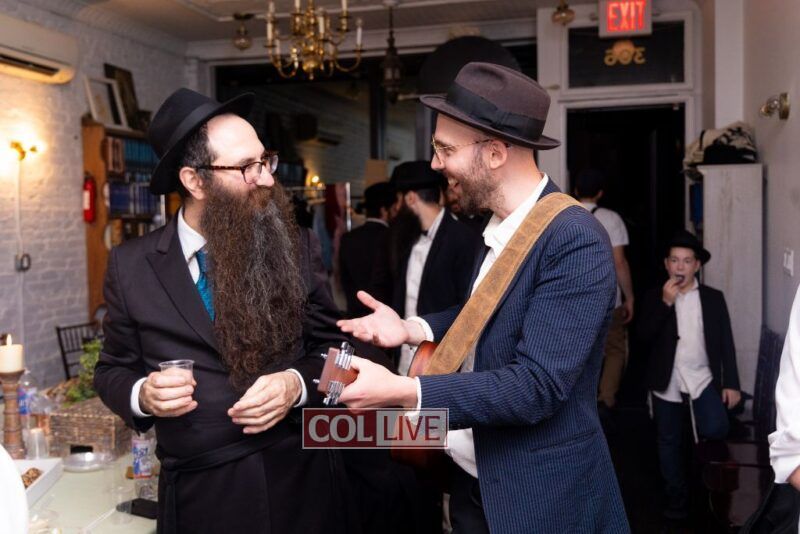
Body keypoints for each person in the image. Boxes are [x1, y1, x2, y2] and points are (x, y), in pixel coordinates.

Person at [336, 62, 629, 534]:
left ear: (494, 153)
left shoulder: (573, 239)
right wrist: (410, 328)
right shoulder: (497, 226)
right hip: (474, 481)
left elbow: (536, 386)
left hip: (536, 497)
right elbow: (489, 312)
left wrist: (407, 391)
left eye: (445, 149)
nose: (436, 164)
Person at [93, 88, 354, 534]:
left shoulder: (296, 245)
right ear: (194, 181)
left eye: (265, 161)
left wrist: (296, 385)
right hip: (200, 498)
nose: (266, 179)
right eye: (247, 167)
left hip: (300, 487)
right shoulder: (131, 265)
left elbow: (343, 354)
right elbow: (111, 370)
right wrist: (142, 395)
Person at [638, 230, 741, 521]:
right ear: (666, 265)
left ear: (697, 265)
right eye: (674, 260)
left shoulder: (713, 298)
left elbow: (726, 342)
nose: (680, 266)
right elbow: (643, 339)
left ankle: (706, 490)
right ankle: (677, 500)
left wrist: (732, 383)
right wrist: (665, 304)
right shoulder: (654, 297)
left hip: (702, 377)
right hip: (667, 380)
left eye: (686, 261)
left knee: (716, 427)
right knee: (668, 440)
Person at [389, 161, 480, 375]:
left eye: (398, 200)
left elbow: (468, 307)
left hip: (440, 364)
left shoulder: (463, 239)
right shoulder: (405, 238)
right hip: (404, 361)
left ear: (410, 199)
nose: (396, 207)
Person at [574, 169, 634, 410]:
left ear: (575, 191)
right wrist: (630, 297)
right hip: (607, 297)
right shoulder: (611, 219)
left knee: (576, 349)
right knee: (615, 349)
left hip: (573, 298)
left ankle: (578, 402)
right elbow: (619, 262)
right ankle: (606, 400)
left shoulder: (564, 214)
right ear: (600, 193)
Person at [339, 182, 396, 318]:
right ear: (384, 210)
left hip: (355, 316)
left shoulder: (348, 238)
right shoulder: (392, 238)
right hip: (387, 318)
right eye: (394, 208)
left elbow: (344, 280)